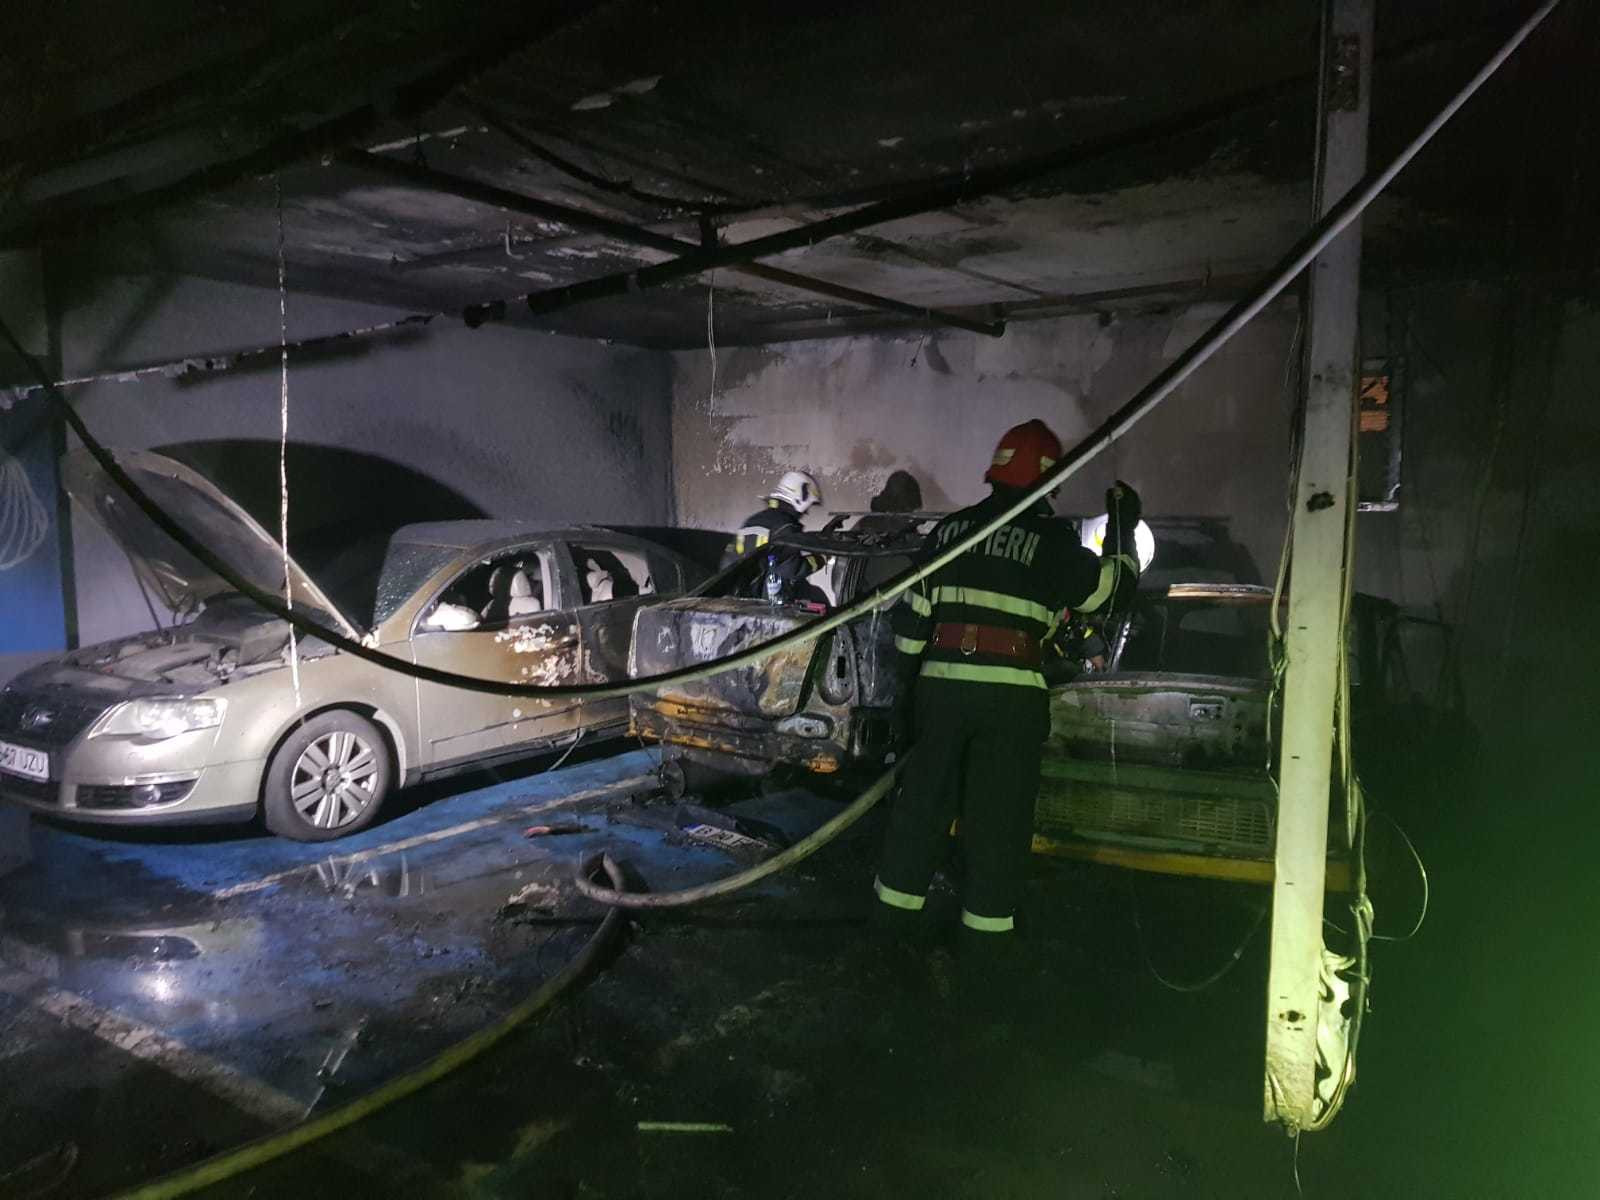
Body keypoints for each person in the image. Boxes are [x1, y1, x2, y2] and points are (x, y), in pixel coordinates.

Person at [873, 418, 1142, 999]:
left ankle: (889, 941)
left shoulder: (949, 531)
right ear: (1049, 482)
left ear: (995, 473)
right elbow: (1111, 593)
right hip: (1010, 698)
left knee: (920, 811)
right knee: (998, 822)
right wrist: (1123, 529)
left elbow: (911, 625)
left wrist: (907, 699)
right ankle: (985, 956)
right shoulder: (1053, 542)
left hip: (941, 690)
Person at [721, 470, 826, 602]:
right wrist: (821, 558)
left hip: (737, 599)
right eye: (807, 507)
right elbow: (791, 569)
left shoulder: (752, 520)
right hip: (768, 604)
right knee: (817, 597)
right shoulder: (786, 526)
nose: (806, 512)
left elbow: (727, 562)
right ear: (800, 499)